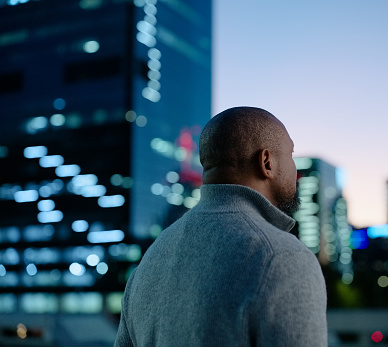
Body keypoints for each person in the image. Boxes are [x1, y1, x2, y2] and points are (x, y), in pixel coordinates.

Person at [114, 107, 328, 346]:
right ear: (266, 162)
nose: (294, 169)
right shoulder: (283, 257)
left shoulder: (150, 262)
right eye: (290, 154)